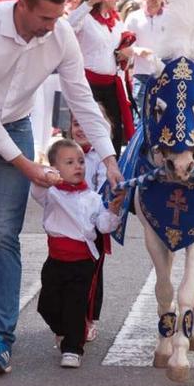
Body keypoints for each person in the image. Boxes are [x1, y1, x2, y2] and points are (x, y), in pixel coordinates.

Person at [0, 0, 123, 374]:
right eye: (44, 18)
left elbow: (82, 98)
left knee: (2, 233)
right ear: (20, 3)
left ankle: (0, 337)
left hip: (16, 126)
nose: (51, 27)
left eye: (57, 18)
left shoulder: (60, 36)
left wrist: (110, 158)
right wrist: (27, 166)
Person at [31, 139, 122, 368]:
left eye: (81, 161)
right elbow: (36, 189)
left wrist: (112, 210)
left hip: (82, 262)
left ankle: (73, 348)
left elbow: (103, 226)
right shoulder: (51, 194)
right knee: (47, 305)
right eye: (69, 162)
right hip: (55, 259)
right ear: (55, 167)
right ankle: (64, 330)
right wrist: (46, 177)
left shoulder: (92, 198)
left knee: (75, 304)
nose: (78, 166)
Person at [68, 0, 134, 155]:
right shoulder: (87, 18)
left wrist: (127, 54)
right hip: (88, 84)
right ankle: (82, 171)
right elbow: (68, 26)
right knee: (86, 130)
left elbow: (123, 51)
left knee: (114, 132)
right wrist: (90, 2)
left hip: (112, 84)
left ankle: (109, 174)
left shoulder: (116, 22)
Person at [69, 111, 109, 341]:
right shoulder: (63, 152)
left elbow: (104, 188)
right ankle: (67, 318)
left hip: (93, 226)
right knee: (64, 274)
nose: (81, 129)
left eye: (87, 124)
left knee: (92, 277)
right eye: (76, 123)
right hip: (68, 225)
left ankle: (89, 319)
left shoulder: (102, 157)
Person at [123, 0, 164, 115]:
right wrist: (138, 50)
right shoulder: (133, 18)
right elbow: (123, 48)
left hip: (165, 74)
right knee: (140, 116)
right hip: (142, 75)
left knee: (163, 117)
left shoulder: (170, 17)